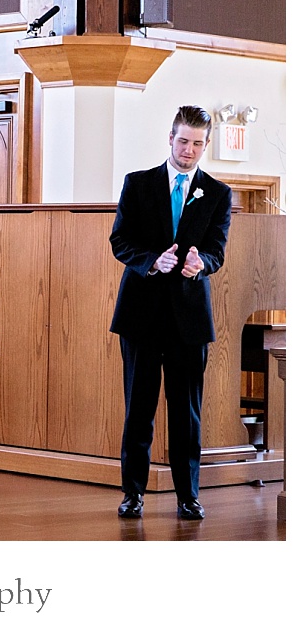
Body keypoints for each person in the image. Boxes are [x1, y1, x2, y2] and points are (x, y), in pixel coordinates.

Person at [110, 105, 232, 521]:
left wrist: (205, 263)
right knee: (138, 407)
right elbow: (119, 241)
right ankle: (133, 494)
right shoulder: (138, 184)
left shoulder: (217, 193)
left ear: (206, 144)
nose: (189, 151)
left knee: (187, 411)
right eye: (183, 141)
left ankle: (188, 495)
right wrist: (150, 261)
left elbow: (217, 247)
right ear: (170, 138)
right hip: (141, 315)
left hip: (189, 317)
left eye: (198, 144)